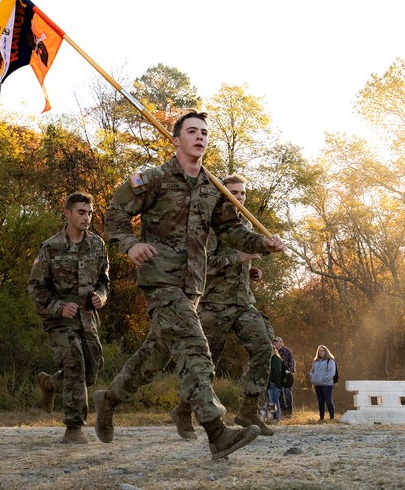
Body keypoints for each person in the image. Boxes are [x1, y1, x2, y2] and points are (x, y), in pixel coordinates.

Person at [98, 109, 286, 461]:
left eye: (204, 133)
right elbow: (115, 213)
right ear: (176, 139)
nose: (199, 137)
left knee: (154, 356)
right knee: (197, 349)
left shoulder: (213, 187)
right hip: (160, 281)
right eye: (192, 131)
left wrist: (264, 244)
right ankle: (217, 432)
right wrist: (130, 244)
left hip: (193, 288)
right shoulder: (153, 179)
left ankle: (109, 399)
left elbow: (231, 231)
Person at [172, 174, 275, 440]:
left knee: (264, 347)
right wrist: (238, 257)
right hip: (214, 306)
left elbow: (243, 259)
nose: (238, 198)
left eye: (242, 193)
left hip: (243, 304)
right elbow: (202, 265)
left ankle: (249, 410)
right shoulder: (211, 226)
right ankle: (183, 410)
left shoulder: (244, 227)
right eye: (233, 193)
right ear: (222, 195)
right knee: (205, 366)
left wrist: (252, 272)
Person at [28, 192, 110, 445]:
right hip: (59, 319)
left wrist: (101, 296)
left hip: (87, 318)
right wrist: (59, 307)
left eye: (90, 213)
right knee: (74, 364)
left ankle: (51, 383)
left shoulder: (97, 245)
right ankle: (73, 427)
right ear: (67, 213)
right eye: (81, 212)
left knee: (91, 370)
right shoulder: (50, 247)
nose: (86, 218)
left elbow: (104, 280)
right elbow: (36, 288)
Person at [309, 345, 337, 422]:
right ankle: (321, 418)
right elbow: (312, 371)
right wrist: (313, 378)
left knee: (328, 401)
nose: (321, 352)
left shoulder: (330, 361)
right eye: (319, 351)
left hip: (327, 385)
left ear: (326, 351)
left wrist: (324, 379)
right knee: (320, 402)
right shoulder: (316, 361)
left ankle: (332, 418)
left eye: (322, 350)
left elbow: (331, 373)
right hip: (317, 385)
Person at [273, 336, 295, 417]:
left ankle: (289, 411)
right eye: (274, 342)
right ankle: (282, 410)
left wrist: (290, 373)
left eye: (277, 342)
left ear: (282, 343)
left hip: (286, 376)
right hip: (277, 377)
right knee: (278, 395)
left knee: (287, 393)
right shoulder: (273, 352)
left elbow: (292, 362)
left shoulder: (287, 351)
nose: (275, 344)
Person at [265, 346, 285, 424]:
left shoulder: (275, 359)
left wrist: (271, 381)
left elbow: (277, 372)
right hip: (271, 383)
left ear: (273, 350)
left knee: (273, 401)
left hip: (275, 383)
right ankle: (273, 417)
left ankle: (276, 417)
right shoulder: (271, 359)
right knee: (271, 401)